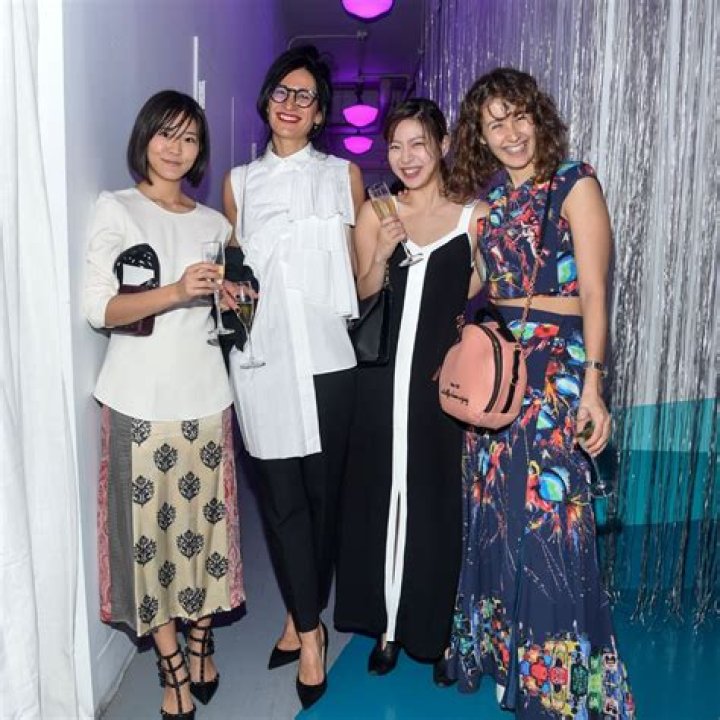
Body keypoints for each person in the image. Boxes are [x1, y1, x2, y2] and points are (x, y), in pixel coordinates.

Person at [444, 68, 635, 718]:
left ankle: (561, 683)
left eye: (519, 116)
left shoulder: (575, 183)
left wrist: (594, 386)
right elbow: (471, 286)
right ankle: (511, 663)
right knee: (498, 520)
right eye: (494, 124)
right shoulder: (490, 207)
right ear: (480, 137)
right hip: (499, 383)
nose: (511, 133)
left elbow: (596, 292)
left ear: (538, 117)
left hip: (559, 374)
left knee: (553, 527)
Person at [82, 90, 244, 720]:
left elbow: (231, 320)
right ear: (144, 138)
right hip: (138, 402)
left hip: (206, 397)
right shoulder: (116, 208)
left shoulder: (215, 225)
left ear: (200, 152)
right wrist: (176, 291)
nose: (176, 148)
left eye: (190, 138)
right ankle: (171, 665)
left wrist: (234, 303)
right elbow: (100, 308)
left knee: (205, 536)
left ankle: (201, 639)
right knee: (149, 544)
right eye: (166, 134)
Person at [222, 45, 364, 709]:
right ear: (266, 100)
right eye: (281, 91)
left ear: (320, 113)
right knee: (281, 504)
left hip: (330, 362)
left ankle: (297, 611)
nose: (290, 103)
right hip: (262, 362)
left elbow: (361, 273)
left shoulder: (343, 176)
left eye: (304, 95)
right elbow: (232, 278)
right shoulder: (237, 184)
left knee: (323, 502)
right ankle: (311, 635)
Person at [334, 98, 488, 680]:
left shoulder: (474, 217)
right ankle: (387, 626)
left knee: (435, 500)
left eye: (418, 143)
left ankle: (436, 630)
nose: (407, 157)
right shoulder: (377, 211)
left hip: (438, 388)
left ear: (443, 144)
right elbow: (361, 293)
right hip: (377, 382)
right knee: (378, 494)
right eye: (396, 146)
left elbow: (478, 292)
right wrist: (379, 251)